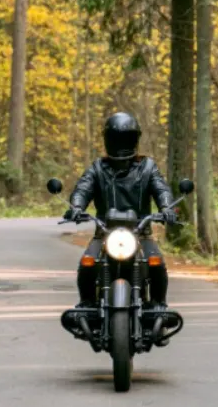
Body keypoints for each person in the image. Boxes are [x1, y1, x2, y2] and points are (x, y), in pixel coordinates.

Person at [64, 112, 178, 310]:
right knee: (87, 262)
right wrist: (76, 207)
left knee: (156, 263)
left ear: (135, 140)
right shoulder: (98, 168)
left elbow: (161, 189)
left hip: (140, 233)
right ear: (108, 140)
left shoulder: (148, 167)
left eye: (126, 138)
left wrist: (167, 207)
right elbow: (83, 188)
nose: (121, 143)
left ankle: (159, 306)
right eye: (116, 139)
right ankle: (87, 305)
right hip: (105, 233)